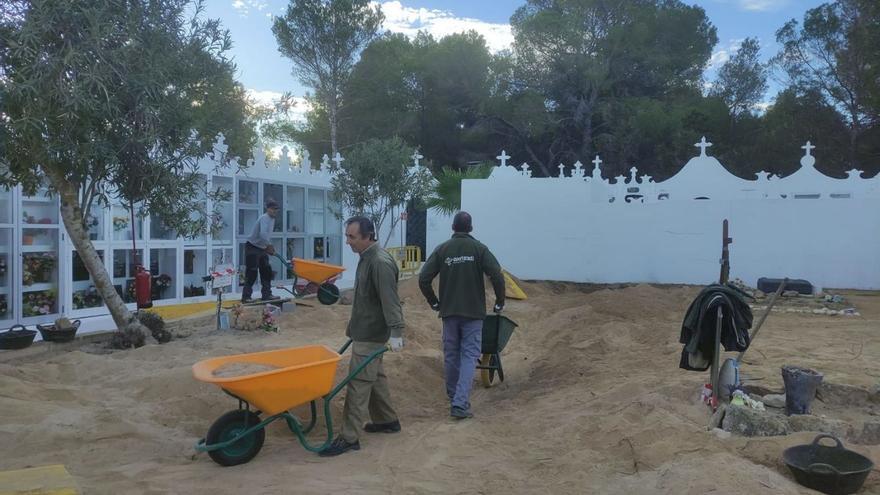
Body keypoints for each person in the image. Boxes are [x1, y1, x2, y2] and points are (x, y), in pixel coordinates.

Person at [320, 216, 405, 457]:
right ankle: (387, 420)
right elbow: (368, 297)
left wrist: (397, 331)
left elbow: (390, 301)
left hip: (372, 334)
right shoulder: (366, 258)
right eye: (347, 236)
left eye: (352, 237)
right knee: (375, 377)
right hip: (364, 330)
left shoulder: (379, 262)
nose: (348, 242)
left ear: (368, 236)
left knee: (358, 384)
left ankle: (348, 438)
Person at [419, 211, 505, 419]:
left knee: (451, 354)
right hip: (473, 314)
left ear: (453, 228)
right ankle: (459, 403)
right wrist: (499, 302)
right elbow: (497, 275)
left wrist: (434, 302)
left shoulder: (443, 250)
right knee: (469, 356)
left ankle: (453, 395)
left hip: (449, 313)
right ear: (471, 228)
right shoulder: (479, 249)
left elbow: (423, 278)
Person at [241, 200, 279, 303]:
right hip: (252, 246)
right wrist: (269, 245)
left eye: (276, 209)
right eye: (273, 209)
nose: (275, 211)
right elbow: (262, 234)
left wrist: (267, 247)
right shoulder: (264, 218)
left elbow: (266, 236)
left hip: (261, 247)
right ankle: (246, 297)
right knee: (252, 272)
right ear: (268, 209)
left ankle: (267, 295)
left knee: (266, 271)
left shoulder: (272, 220)